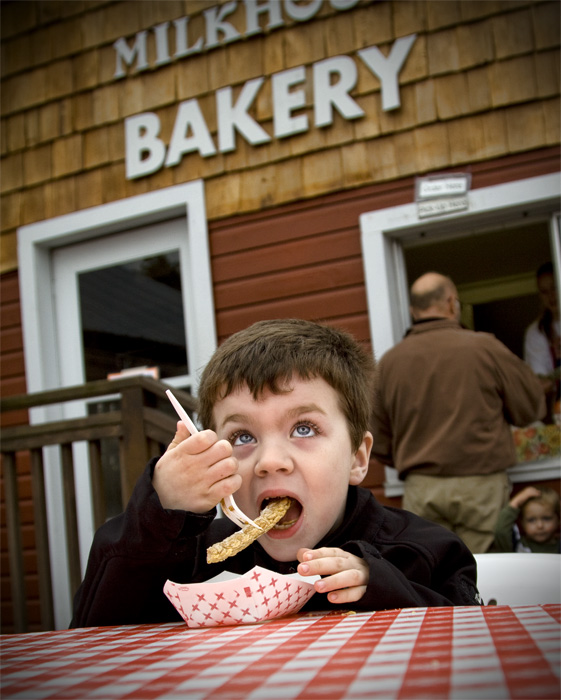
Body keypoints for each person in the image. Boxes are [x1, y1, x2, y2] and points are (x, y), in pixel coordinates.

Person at [71, 319, 480, 628]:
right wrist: (161, 510)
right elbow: (94, 631)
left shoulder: (419, 551)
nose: (270, 461)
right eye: (243, 435)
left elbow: (470, 634)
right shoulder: (194, 558)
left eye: (304, 429)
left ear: (357, 458)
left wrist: (380, 584)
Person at [370, 272, 546, 555]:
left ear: (414, 310)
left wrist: (413, 456)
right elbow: (529, 408)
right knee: (486, 575)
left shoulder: (390, 362)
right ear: (452, 303)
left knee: (431, 573)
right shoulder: (485, 347)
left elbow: (376, 439)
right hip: (481, 486)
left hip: (422, 488)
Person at [523, 262, 560, 422]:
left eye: (554, 288)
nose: (551, 295)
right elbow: (540, 384)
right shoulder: (536, 333)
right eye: (544, 292)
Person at [493, 485, 560, 553]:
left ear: (558, 519)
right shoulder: (517, 546)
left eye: (546, 518)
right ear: (522, 522)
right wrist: (516, 502)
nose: (540, 526)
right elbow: (501, 532)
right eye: (531, 520)